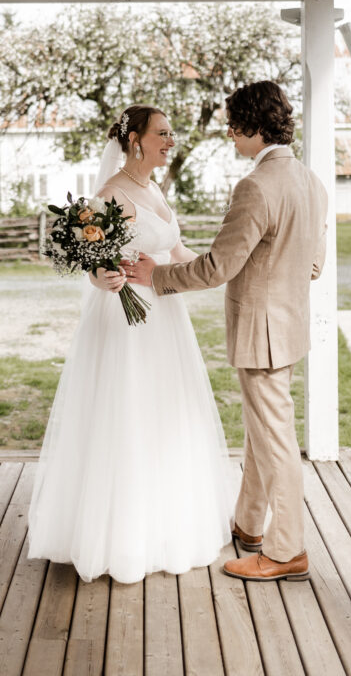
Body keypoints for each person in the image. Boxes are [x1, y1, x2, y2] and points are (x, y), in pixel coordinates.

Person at [127, 81, 328, 582]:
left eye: (235, 127)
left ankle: (286, 552)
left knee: (276, 440)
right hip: (288, 326)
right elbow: (315, 262)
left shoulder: (256, 186)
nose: (232, 137)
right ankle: (249, 524)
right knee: (263, 432)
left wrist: (158, 276)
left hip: (261, 331)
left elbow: (218, 267)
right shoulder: (309, 180)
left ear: (255, 127)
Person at [27, 104, 236, 584]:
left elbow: (174, 251)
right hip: (129, 321)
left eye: (172, 133)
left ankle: (167, 524)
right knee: (129, 414)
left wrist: (219, 269)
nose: (171, 140)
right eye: (162, 133)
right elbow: (93, 262)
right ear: (135, 139)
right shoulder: (110, 194)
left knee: (166, 415)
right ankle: (120, 536)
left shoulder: (153, 188)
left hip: (165, 315)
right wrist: (104, 277)